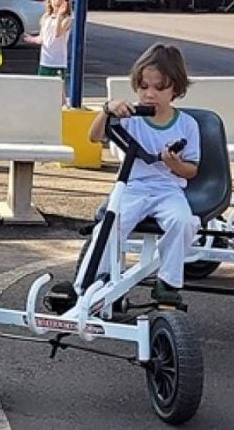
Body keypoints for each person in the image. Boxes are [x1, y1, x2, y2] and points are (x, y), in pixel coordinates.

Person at [87, 44, 201, 306]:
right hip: (132, 187)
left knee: (183, 222)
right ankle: (97, 281)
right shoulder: (131, 117)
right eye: (143, 87)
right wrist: (107, 109)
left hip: (168, 189)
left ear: (175, 89)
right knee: (109, 227)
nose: (150, 94)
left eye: (159, 88)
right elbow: (94, 136)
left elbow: (192, 170)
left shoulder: (187, 124)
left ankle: (168, 282)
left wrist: (174, 164)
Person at [23, 0, 72, 102]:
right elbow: (42, 38)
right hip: (45, 60)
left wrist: (59, 15)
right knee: (43, 88)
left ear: (66, 0)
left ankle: (63, 108)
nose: (58, 2)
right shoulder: (46, 17)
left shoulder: (67, 19)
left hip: (58, 62)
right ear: (50, 0)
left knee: (59, 91)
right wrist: (31, 39)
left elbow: (57, 33)